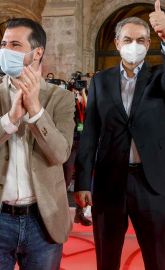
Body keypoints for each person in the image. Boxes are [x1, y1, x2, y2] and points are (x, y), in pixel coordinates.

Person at [74, 1, 165, 268]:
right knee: (107, 255)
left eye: (140, 39)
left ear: (148, 44)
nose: (133, 44)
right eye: (127, 39)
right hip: (109, 181)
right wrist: (82, 180)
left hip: (151, 181)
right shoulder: (100, 81)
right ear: (117, 44)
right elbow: (90, 132)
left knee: (157, 257)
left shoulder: (159, 77)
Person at [0, 18, 75, 270]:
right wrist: (9, 120)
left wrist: (35, 111)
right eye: (3, 44)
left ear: (37, 52)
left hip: (43, 220)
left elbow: (60, 154)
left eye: (15, 44)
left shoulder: (61, 98)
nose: (5, 51)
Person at [62, 87, 91, 226]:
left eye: (80, 93)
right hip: (70, 146)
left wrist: (84, 95)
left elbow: (92, 112)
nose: (78, 96)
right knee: (65, 179)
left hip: (84, 145)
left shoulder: (85, 106)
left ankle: (80, 212)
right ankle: (59, 215)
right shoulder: (68, 106)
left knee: (83, 180)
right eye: (76, 93)